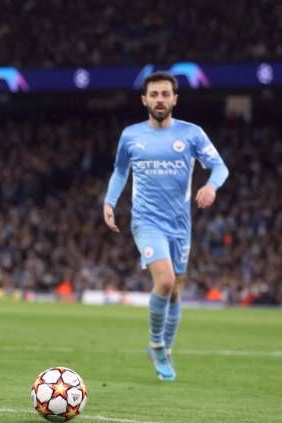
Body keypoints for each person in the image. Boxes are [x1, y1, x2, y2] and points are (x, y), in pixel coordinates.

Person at [103, 71, 229, 381]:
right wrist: (109, 202)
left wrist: (211, 186)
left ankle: (167, 350)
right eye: (154, 94)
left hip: (180, 224)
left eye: (165, 94)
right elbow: (120, 172)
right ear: (144, 99)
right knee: (166, 281)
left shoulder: (191, 134)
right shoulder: (131, 135)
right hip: (146, 221)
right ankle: (156, 344)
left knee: (175, 292)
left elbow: (220, 166)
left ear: (175, 99)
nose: (160, 99)